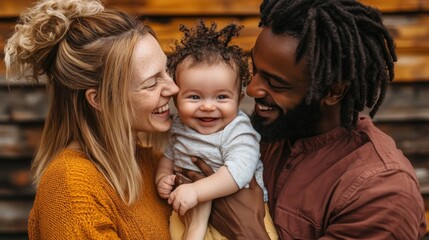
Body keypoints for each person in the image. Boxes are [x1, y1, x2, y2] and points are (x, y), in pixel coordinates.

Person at [177, 0, 428, 239]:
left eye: (275, 83)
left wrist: (247, 232)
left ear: (332, 91)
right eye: (255, 70)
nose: (252, 89)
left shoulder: (381, 193)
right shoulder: (262, 133)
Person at [4, 0, 179, 238]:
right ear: (99, 99)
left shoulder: (156, 165)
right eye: (151, 83)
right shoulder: (72, 189)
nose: (174, 88)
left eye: (167, 71)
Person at [155, 21, 278, 240]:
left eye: (221, 97)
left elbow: (237, 172)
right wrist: (163, 177)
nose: (208, 106)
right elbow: (169, 156)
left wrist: (196, 191)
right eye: (194, 97)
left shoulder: (238, 132)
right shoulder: (180, 127)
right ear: (176, 99)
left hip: (246, 217)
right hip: (187, 212)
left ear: (239, 100)